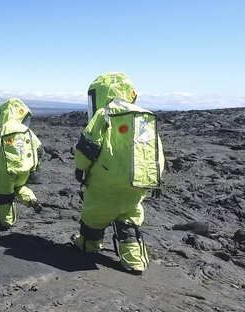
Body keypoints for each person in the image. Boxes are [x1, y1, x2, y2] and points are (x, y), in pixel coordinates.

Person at [72, 72, 165, 275]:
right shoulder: (144, 117)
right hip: (135, 186)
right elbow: (155, 152)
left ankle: (89, 245)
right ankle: (134, 262)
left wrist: (80, 168)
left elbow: (87, 149)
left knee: (93, 218)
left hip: (104, 186)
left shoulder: (103, 115)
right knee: (129, 222)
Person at [0, 98, 45, 229]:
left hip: (5, 171)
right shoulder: (26, 130)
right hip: (24, 169)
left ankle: (7, 223)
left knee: (4, 197)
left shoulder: (1, 130)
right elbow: (40, 149)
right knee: (19, 187)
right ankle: (31, 199)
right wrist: (35, 169)